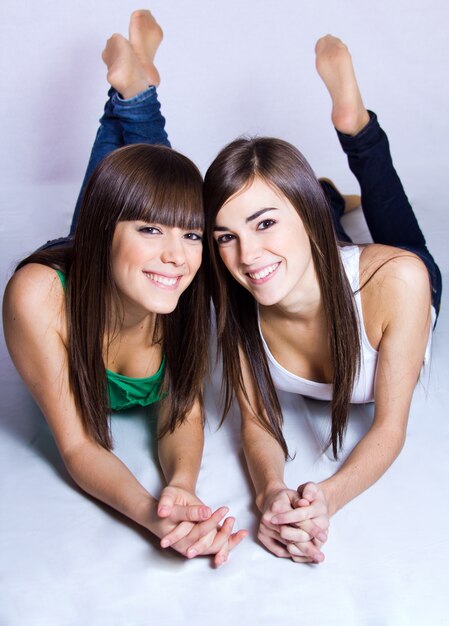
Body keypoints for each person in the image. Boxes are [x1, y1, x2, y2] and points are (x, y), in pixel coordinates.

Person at [3, 10, 246, 566]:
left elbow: (181, 410)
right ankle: (138, 97)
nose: (178, 256)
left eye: (193, 236)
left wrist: (181, 485)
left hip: (114, 264)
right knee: (128, 186)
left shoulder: (184, 286)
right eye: (152, 232)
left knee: (152, 189)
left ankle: (135, 95)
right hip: (84, 273)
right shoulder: (37, 297)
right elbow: (78, 444)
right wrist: (150, 513)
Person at [202, 35, 442, 564]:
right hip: (318, 247)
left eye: (265, 222)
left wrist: (326, 499)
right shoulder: (241, 292)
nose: (246, 255)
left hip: (393, 283)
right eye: (225, 235)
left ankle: (355, 127)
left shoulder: (397, 281)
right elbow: (258, 422)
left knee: (399, 230)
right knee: (291, 249)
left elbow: (390, 427)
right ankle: (327, 198)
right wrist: (271, 495)